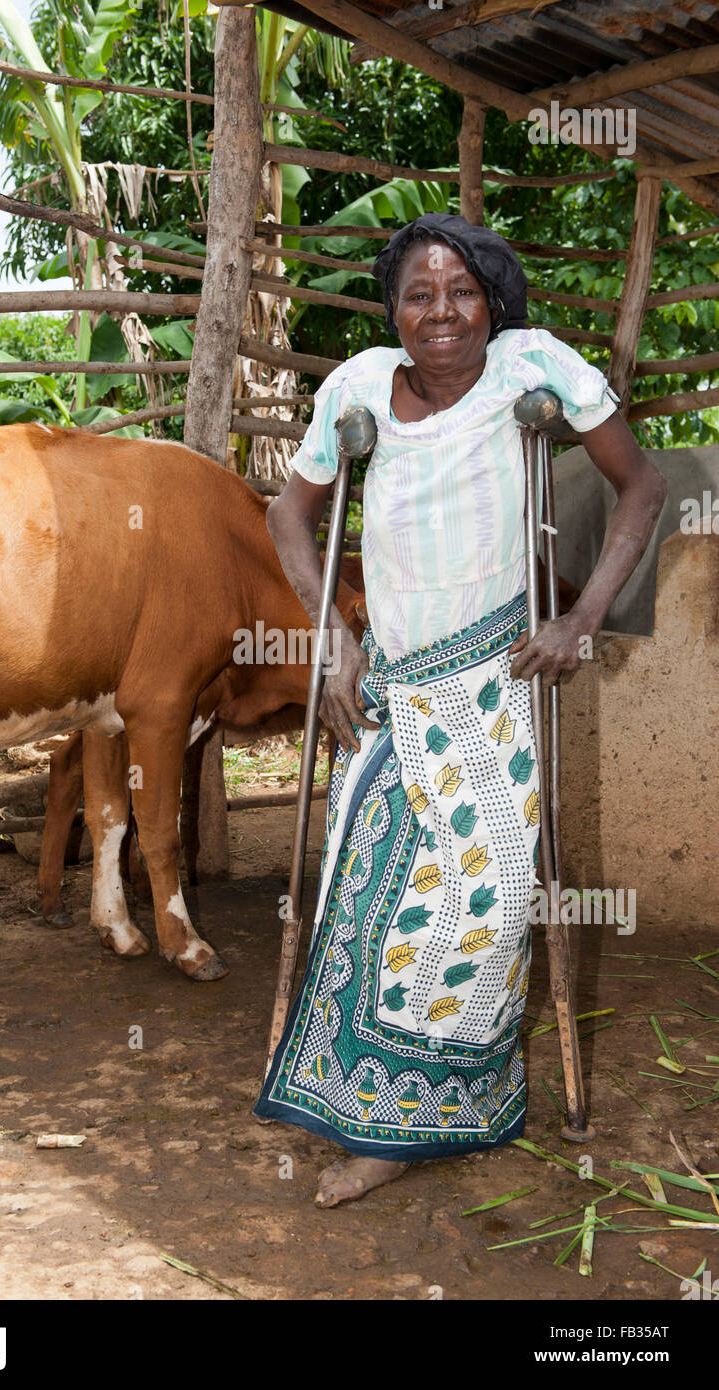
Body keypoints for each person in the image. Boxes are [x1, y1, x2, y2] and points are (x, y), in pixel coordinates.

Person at [253, 213, 666, 1208]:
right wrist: (333, 634)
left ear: (493, 299)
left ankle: (448, 1107)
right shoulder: (356, 388)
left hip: (497, 680)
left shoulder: (535, 365)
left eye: (461, 290)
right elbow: (288, 514)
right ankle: (376, 1115)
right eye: (418, 294)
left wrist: (584, 618)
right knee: (373, 897)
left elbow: (642, 486)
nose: (441, 311)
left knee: (485, 900)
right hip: (394, 684)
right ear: (395, 310)